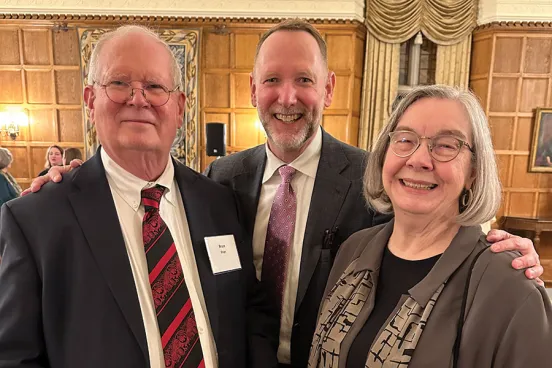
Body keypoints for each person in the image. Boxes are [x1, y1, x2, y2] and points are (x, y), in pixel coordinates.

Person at [27, 19, 544, 368]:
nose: (287, 96)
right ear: (253, 90)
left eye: (304, 79)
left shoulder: (376, 178)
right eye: (272, 80)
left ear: (329, 89)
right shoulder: (221, 182)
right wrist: (73, 186)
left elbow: (437, 226)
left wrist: (498, 249)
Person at [0, 25, 278, 368]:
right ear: (90, 100)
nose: (138, 98)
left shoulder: (219, 202)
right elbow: (15, 356)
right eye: (119, 83)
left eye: (154, 86)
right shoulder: (37, 220)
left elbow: (250, 311)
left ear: (179, 107)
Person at [309, 85, 552, 368]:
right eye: (404, 139)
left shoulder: (509, 285)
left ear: (473, 172)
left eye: (447, 145)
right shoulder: (353, 250)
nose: (419, 160)